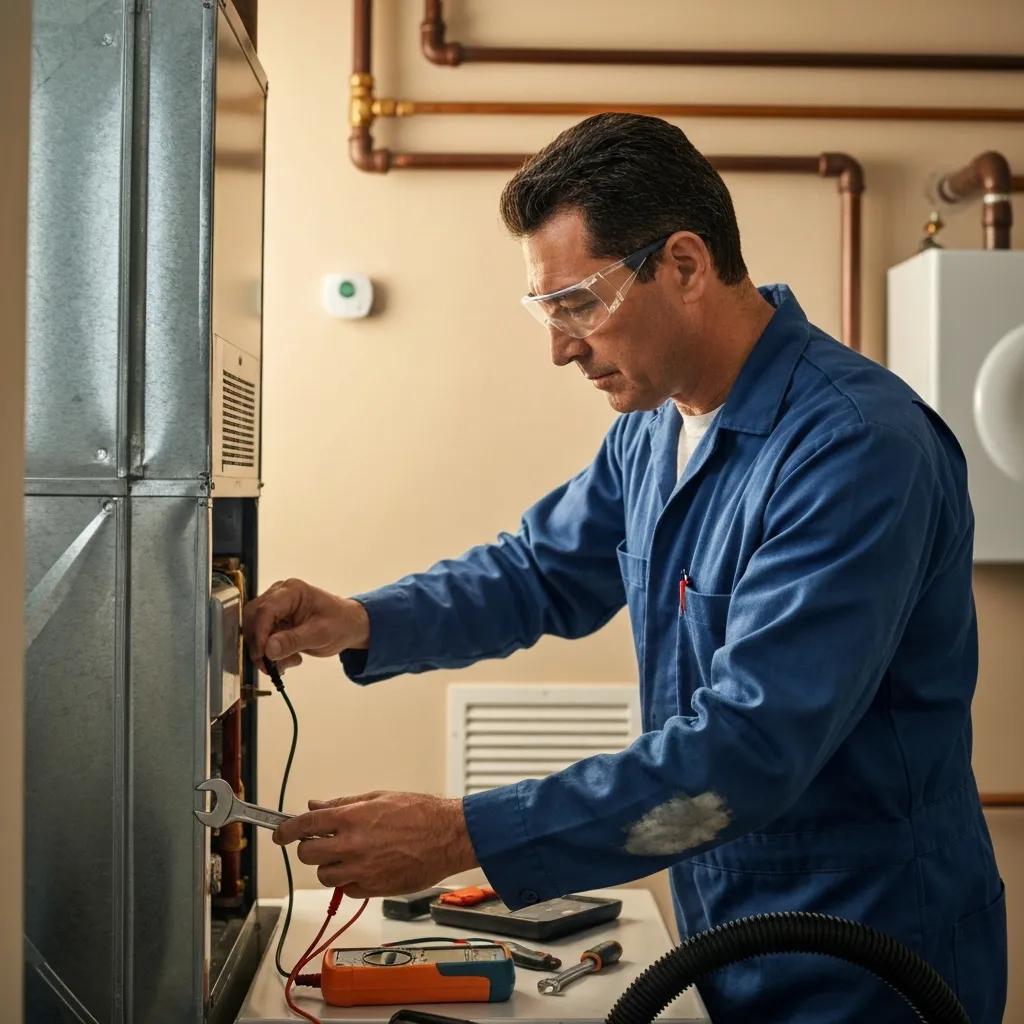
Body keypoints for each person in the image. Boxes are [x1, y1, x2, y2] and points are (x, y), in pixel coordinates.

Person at [243, 113, 1006, 1023]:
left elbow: (751, 750)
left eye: (578, 304)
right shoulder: (656, 426)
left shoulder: (854, 449)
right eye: (548, 310)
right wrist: (363, 619)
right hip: (727, 921)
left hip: (869, 951)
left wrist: (458, 832)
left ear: (683, 265)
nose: (561, 346)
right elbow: (539, 571)